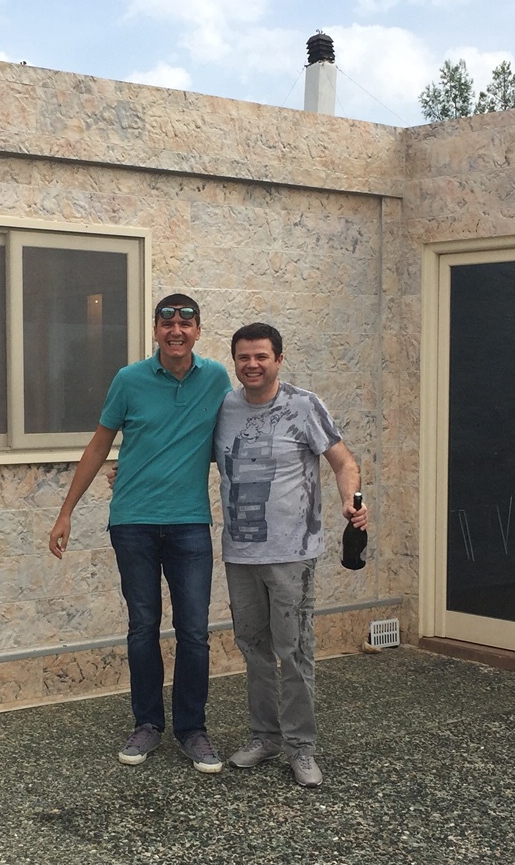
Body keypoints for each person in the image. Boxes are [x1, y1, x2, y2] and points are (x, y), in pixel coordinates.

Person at [48, 293, 232, 774]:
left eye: (186, 323)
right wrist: (66, 512)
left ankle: (193, 730)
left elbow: (229, 438)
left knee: (194, 630)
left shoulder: (216, 379)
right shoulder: (128, 380)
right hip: (133, 523)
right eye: (167, 323)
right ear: (155, 330)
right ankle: (147, 723)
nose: (176, 330)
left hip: (189, 522)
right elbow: (99, 445)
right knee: (142, 626)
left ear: (198, 331)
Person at [215, 323, 367, 789]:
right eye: (244, 357)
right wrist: (130, 471)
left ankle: (301, 747)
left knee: (295, 650)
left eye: (261, 356)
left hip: (291, 553)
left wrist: (351, 500)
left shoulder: (304, 405)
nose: (252, 365)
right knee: (254, 648)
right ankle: (264, 737)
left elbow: (344, 462)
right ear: (235, 362)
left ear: (279, 359)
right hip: (240, 553)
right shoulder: (224, 408)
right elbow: (182, 455)